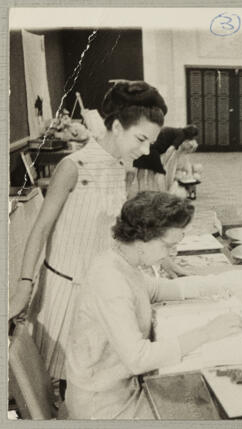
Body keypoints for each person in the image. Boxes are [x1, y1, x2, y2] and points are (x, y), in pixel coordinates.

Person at [9, 80, 167, 390]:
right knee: (71, 378)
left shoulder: (122, 169)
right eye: (141, 139)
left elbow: (118, 232)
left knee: (92, 377)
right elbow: (39, 228)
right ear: (118, 127)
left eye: (151, 142)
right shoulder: (73, 166)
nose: (146, 150)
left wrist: (162, 258)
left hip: (98, 290)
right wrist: (23, 288)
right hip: (64, 291)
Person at [65, 191, 242, 419]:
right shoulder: (110, 281)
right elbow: (139, 358)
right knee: (213, 407)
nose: (173, 253)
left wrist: (220, 283)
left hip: (120, 387)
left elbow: (157, 290)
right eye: (168, 246)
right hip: (104, 407)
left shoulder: (121, 261)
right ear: (142, 242)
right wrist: (207, 332)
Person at [130, 125, 201, 199]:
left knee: (141, 173)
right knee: (153, 175)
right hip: (153, 152)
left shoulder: (175, 130)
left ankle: (142, 195)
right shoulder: (181, 136)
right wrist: (163, 163)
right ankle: (151, 195)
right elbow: (170, 150)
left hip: (144, 147)